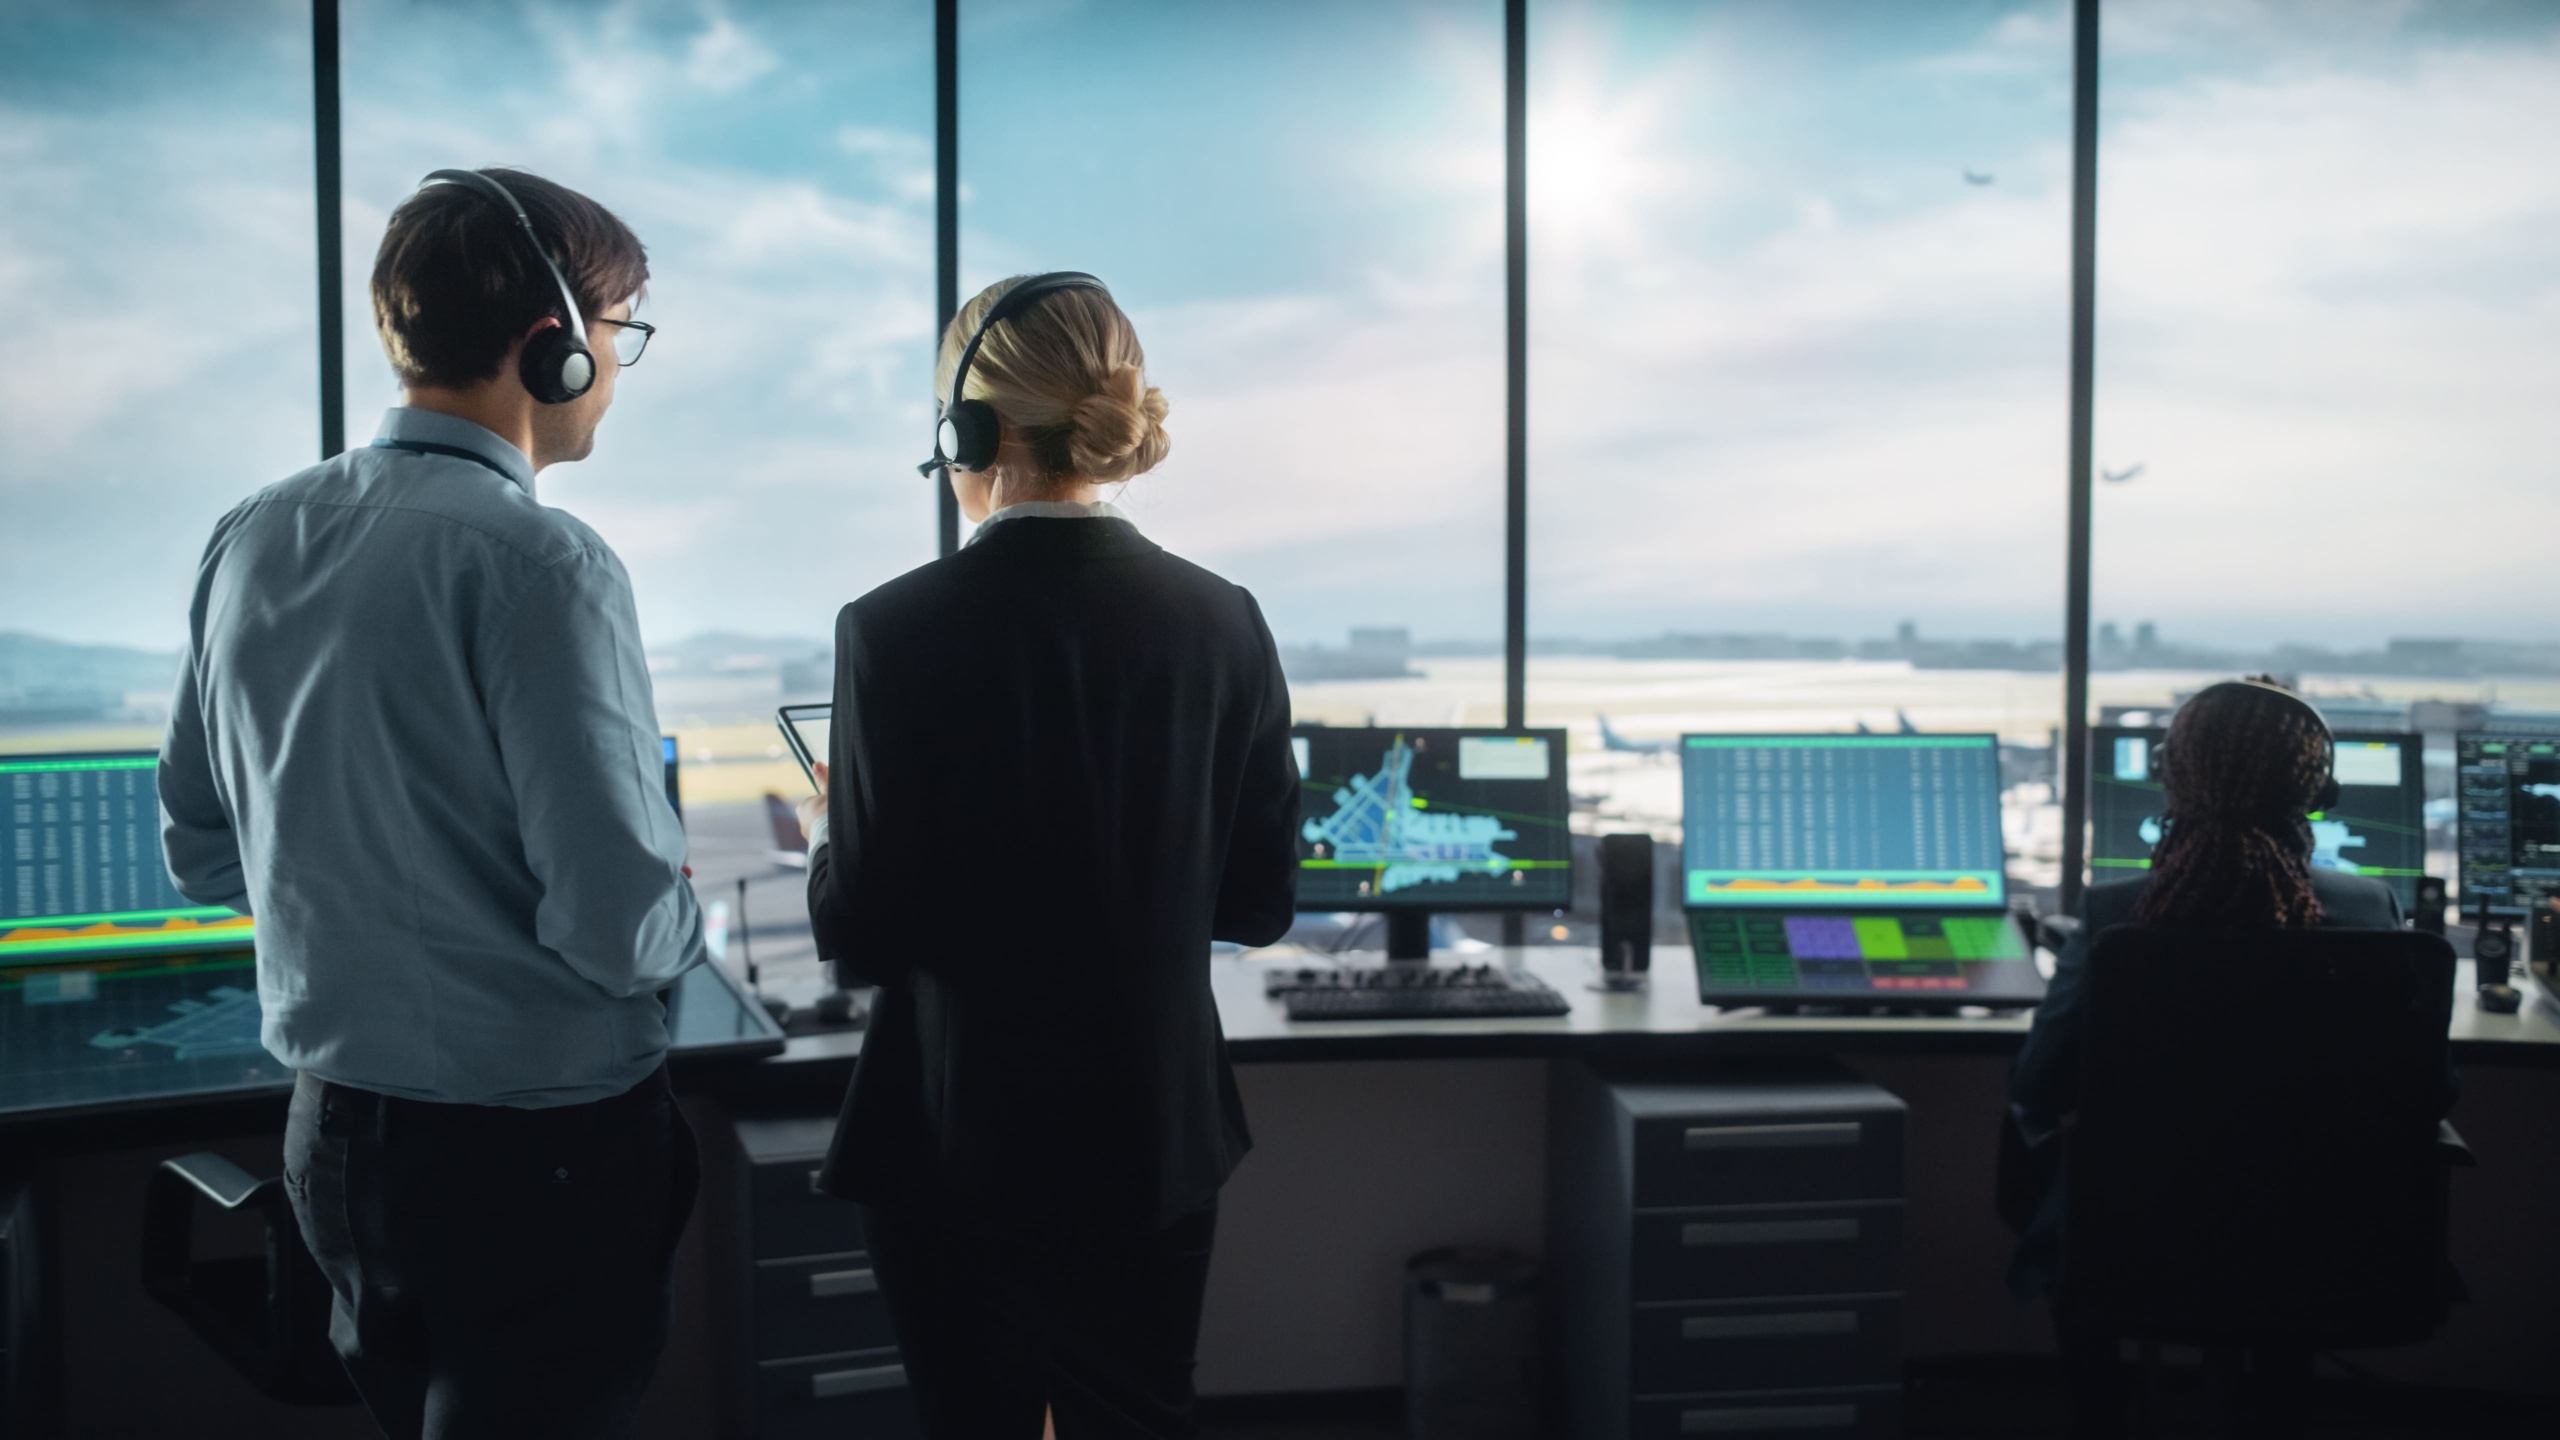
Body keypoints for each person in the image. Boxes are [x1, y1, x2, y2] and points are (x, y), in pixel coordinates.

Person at [158, 167, 702, 1439]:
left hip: (338, 1147)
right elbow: (618, 928)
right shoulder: (542, 561)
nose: (619, 361)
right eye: (622, 326)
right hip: (537, 1163)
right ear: (552, 346)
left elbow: (199, 851)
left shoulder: (251, 533)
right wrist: (670, 906)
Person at [799, 273, 1299, 1439]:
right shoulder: (1226, 621)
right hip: (1151, 1131)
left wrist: (835, 832)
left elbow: (860, 931)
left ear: (960, 433)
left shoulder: (890, 629)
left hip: (953, 1136)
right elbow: (1262, 902)